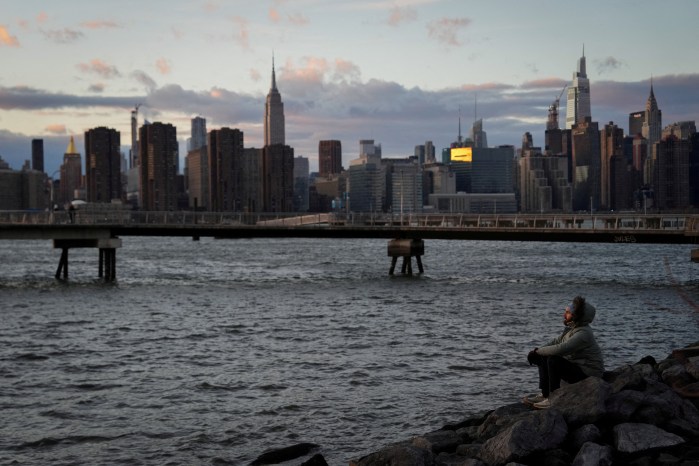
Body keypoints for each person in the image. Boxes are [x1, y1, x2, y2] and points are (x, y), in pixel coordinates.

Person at [523, 295, 604, 409]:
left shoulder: (584, 334)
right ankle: (545, 394)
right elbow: (556, 341)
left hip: (589, 373)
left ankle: (554, 399)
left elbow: (561, 348)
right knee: (544, 357)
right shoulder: (572, 329)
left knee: (553, 360)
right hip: (579, 367)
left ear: (577, 316)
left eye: (567, 312)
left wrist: (539, 351)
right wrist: (536, 351)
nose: (564, 314)